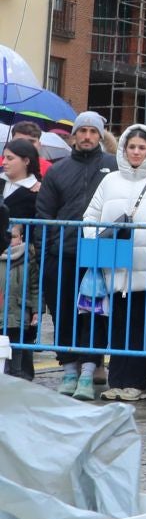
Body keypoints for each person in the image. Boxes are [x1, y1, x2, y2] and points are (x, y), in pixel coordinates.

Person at [79, 123, 146, 403]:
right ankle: (117, 381)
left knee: (141, 325)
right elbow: (90, 217)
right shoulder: (110, 180)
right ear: (124, 149)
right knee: (116, 326)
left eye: (142, 147)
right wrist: (98, 239)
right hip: (114, 264)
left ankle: (136, 383)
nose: (136, 152)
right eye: (132, 147)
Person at [38, 110, 115, 396]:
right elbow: (44, 214)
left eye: (93, 132)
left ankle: (88, 370)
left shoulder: (113, 165)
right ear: (74, 135)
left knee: (94, 313)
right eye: (82, 131)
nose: (87, 136)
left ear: (100, 135)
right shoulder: (58, 170)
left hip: (97, 251)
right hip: (63, 251)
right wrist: (48, 250)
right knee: (63, 311)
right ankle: (68, 369)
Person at [1, 138, 39, 380]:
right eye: (4, 157)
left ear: (26, 161)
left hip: (22, 259)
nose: (5, 162)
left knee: (20, 320)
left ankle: (22, 372)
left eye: (10, 158)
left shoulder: (37, 190)